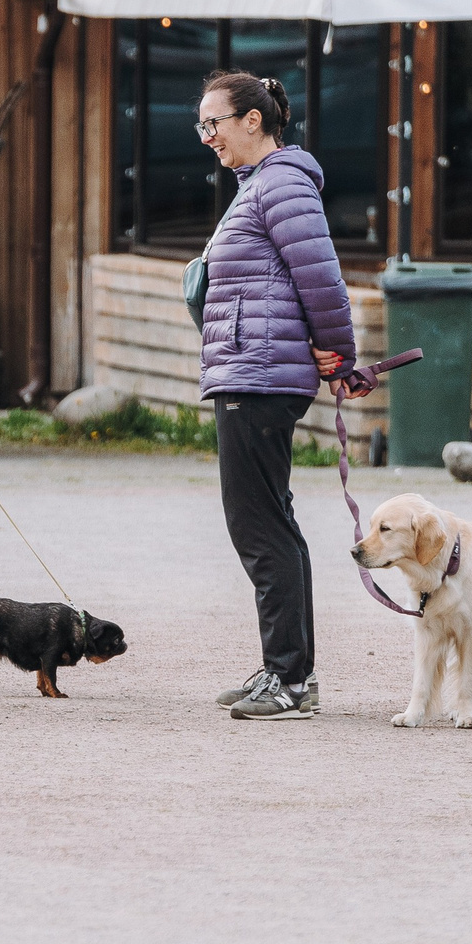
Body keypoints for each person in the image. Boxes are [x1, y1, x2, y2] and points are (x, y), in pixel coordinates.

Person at [197, 69, 360, 723]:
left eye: (216, 122)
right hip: (250, 370)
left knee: (259, 526)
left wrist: (339, 352)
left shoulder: (283, 182)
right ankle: (286, 670)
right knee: (271, 524)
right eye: (201, 125)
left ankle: (290, 681)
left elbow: (321, 278)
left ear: (253, 121)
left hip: (260, 376)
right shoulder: (258, 186)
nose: (207, 136)